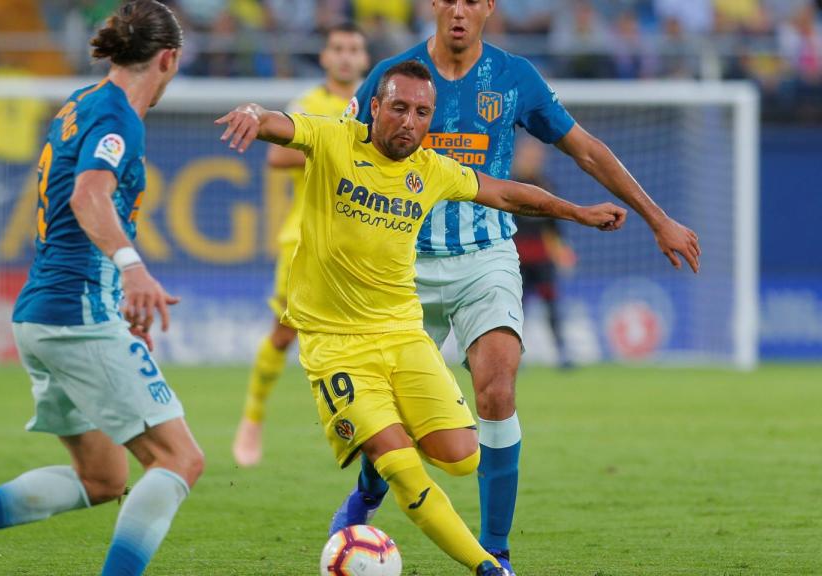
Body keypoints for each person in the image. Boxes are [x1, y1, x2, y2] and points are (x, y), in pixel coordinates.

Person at [330, 2, 702, 574]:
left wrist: (657, 217)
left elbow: (585, 148)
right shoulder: (392, 76)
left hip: (486, 257)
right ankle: (369, 493)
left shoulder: (515, 77)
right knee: (396, 415)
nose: (458, 10)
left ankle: (496, 553)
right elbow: (341, 159)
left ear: (487, 8)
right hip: (403, 263)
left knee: (497, 392)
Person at [215, 60, 626, 575]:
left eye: (422, 112)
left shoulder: (430, 169)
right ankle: (489, 565)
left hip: (403, 336)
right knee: (406, 469)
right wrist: (253, 114)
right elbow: (280, 123)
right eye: (400, 108)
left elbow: (506, 192)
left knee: (462, 457)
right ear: (375, 108)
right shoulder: (334, 140)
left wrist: (578, 212)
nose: (409, 121)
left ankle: (371, 471)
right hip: (337, 345)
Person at [0, 3, 204, 575]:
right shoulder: (118, 119)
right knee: (179, 459)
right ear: (168, 58)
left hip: (42, 315)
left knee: (102, 478)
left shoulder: (79, 104)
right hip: (75, 316)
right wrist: (133, 269)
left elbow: (76, 219)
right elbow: (87, 196)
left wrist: (117, 293)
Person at [232, 22, 371, 467]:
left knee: (365, 338)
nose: (346, 56)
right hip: (305, 240)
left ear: (364, 59)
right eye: (338, 48)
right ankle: (252, 417)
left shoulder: (376, 103)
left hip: (363, 242)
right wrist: (334, 145)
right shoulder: (308, 105)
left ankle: (365, 429)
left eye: (354, 49)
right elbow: (276, 153)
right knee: (284, 332)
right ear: (326, 58)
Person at [511, 138, 576, 368]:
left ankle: (563, 353)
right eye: (529, 155)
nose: (533, 159)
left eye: (537, 156)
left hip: (542, 257)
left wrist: (562, 251)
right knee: (516, 308)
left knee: (551, 305)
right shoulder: (509, 184)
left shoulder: (547, 185)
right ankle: (514, 354)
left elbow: (554, 226)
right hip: (516, 257)